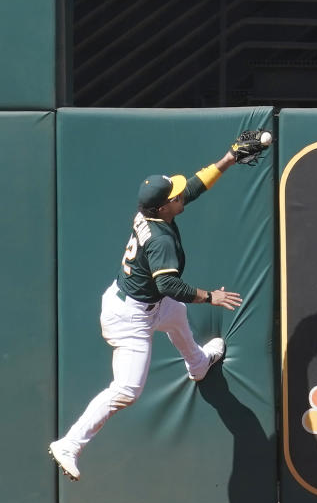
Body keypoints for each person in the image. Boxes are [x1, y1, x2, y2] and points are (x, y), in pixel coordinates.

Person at [49, 133, 266, 481]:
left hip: (140, 300)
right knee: (127, 390)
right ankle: (70, 444)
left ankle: (197, 364)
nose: (180, 194)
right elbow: (169, 285)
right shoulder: (162, 239)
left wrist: (228, 159)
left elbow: (191, 188)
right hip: (130, 319)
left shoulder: (152, 212)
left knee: (177, 319)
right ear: (163, 207)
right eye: (174, 195)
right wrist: (211, 296)